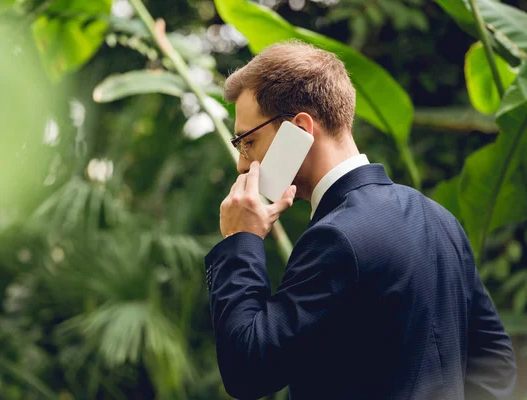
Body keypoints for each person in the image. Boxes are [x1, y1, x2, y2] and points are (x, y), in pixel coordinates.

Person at [203, 41, 517, 400]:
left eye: (248, 141)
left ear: (301, 129)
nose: (243, 164)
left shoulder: (335, 239)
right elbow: (496, 363)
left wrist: (240, 241)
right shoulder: (438, 218)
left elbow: (248, 371)